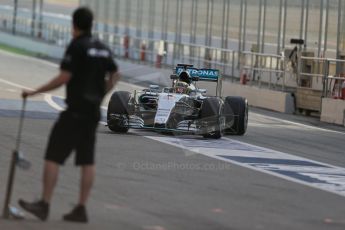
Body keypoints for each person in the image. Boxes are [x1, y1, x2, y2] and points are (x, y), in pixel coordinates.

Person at [18, 7, 120, 223]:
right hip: (93, 112)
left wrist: (34, 91)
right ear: (91, 24)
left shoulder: (77, 46)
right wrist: (102, 92)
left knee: (53, 156)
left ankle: (44, 204)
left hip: (75, 112)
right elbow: (116, 73)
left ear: (74, 25)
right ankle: (81, 208)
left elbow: (64, 77)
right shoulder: (102, 48)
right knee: (87, 160)